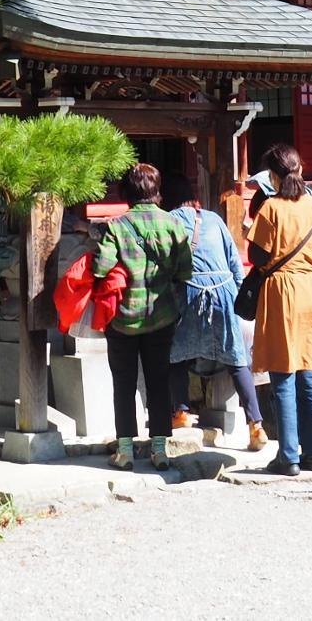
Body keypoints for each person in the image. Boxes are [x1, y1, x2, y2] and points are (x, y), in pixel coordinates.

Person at [91, 161, 193, 470]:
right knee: (159, 380)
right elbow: (184, 270)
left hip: (122, 318)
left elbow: (100, 268)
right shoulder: (173, 224)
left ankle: (125, 452)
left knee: (124, 382)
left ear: (127, 193)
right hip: (161, 316)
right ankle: (160, 450)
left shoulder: (115, 226)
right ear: (156, 191)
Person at [161, 174, 268, 452]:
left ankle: (182, 412)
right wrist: (238, 300)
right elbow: (234, 262)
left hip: (189, 292)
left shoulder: (168, 221)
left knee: (176, 356)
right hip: (224, 292)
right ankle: (256, 424)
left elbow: (165, 268)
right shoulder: (214, 219)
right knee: (237, 359)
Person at [248, 142, 312, 475]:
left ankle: (288, 456)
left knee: (283, 374)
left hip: (282, 291)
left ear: (273, 175)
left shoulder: (271, 208)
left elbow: (256, 256)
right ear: (301, 168)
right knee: (311, 373)